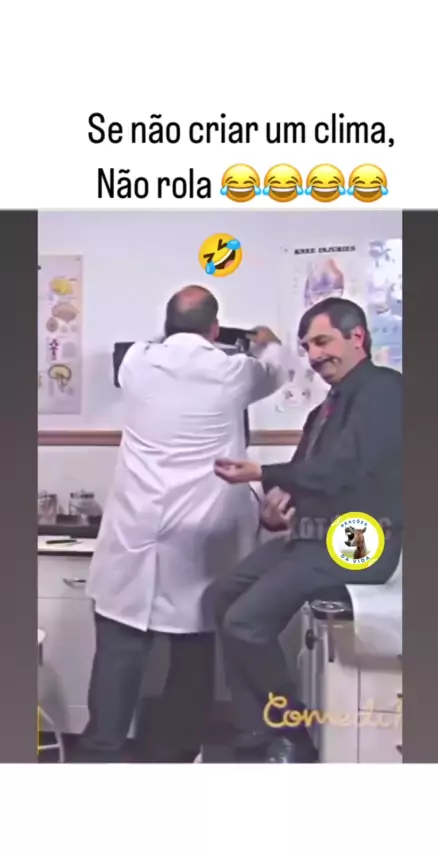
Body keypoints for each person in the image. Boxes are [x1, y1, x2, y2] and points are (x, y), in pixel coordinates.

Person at [80, 285, 288, 762]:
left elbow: (155, 347)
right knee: (192, 650)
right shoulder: (235, 371)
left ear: (167, 323)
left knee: (119, 646)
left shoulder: (137, 362)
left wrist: (186, 334)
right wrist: (263, 340)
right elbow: (277, 367)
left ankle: (101, 750)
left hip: (136, 528)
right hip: (199, 533)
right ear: (214, 329)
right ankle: (174, 752)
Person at [213, 297, 403, 763]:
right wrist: (277, 505)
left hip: (361, 539)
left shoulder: (383, 390)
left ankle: (291, 731)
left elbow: (344, 467)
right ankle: (256, 723)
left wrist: (264, 473)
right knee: (222, 596)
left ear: (357, 337)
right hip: (314, 537)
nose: (314, 356)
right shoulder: (323, 411)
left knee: (245, 621)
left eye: (322, 342)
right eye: (306, 347)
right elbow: (303, 476)